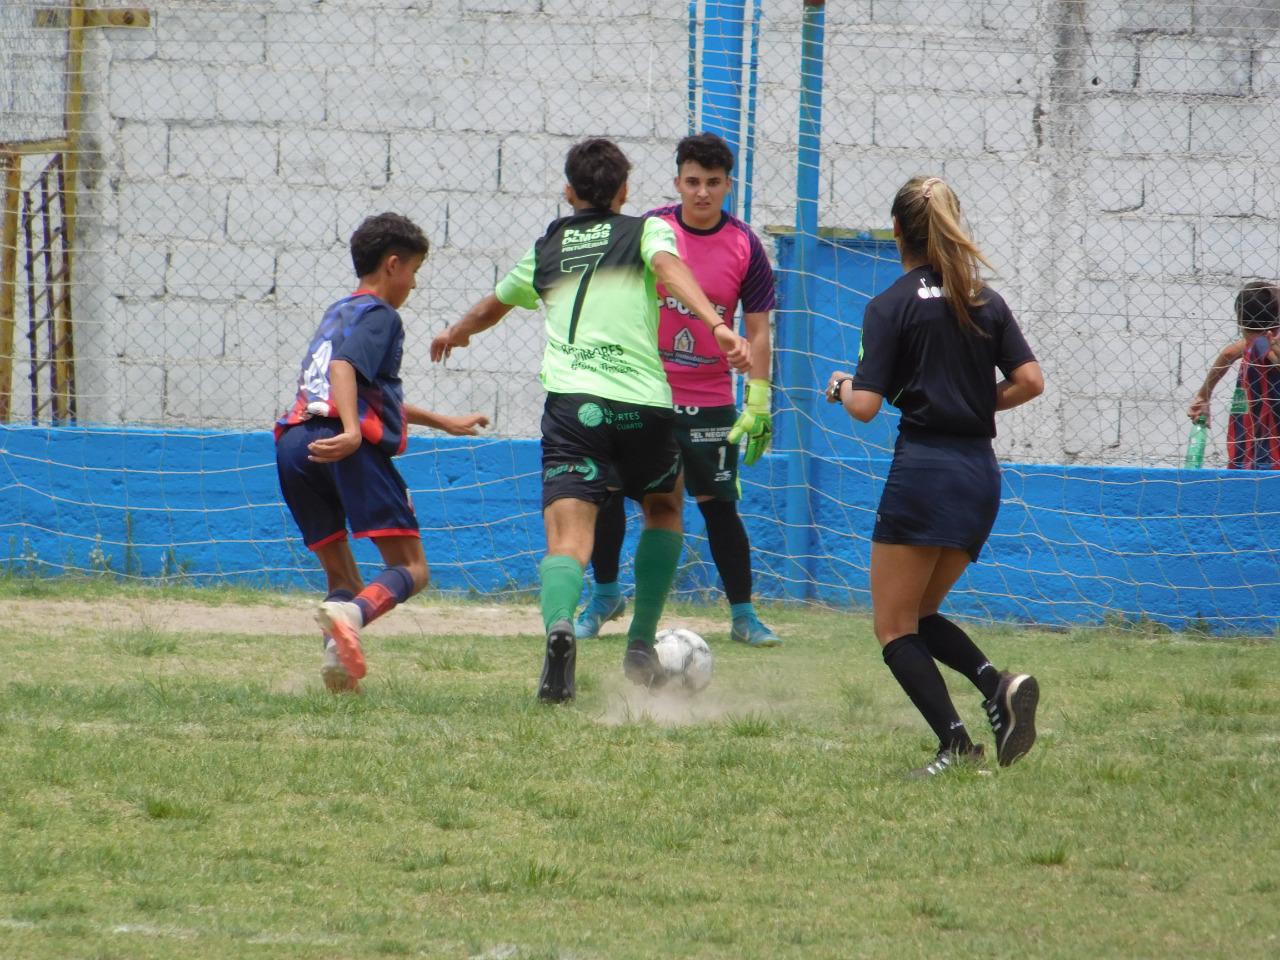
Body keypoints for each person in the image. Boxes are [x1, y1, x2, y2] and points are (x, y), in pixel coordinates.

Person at [430, 138, 750, 703]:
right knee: (665, 506)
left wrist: (457, 331)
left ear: (569, 192)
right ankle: (641, 643)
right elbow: (670, 270)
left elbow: (494, 305)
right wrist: (716, 324)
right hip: (644, 404)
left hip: (574, 407)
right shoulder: (647, 230)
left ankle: (560, 625)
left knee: (569, 536)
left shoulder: (548, 245)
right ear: (625, 192)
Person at [825, 175, 1044, 777]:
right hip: (979, 476)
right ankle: (997, 686)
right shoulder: (985, 301)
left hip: (924, 472)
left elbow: (866, 406)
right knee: (919, 614)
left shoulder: (889, 306)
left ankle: (956, 743)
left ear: (897, 230)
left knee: (893, 625)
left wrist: (843, 384)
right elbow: (1030, 381)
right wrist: (972, 403)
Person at [574, 132, 781, 647]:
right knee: (610, 493)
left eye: (713, 183)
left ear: (728, 185)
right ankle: (604, 597)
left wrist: (758, 398)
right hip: (643, 392)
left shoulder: (746, 245)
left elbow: (757, 329)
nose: (702, 192)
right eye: (693, 182)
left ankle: (743, 615)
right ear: (677, 183)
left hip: (710, 398)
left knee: (717, 504)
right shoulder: (650, 231)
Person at [275, 212, 489, 693]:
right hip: (343, 444)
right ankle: (352, 617)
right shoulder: (382, 316)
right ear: (393, 265)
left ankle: (340, 668)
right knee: (412, 568)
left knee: (341, 576)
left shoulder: (339, 311)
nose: (414, 283)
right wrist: (353, 432)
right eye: (414, 270)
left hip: (293, 442)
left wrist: (443, 420)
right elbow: (346, 370)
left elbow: (354, 385)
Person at [1186, 280, 1280, 469]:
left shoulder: (1261, 342)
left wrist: (1204, 395)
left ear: (1239, 320)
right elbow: (1230, 353)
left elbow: (1228, 354)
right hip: (1266, 453)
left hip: (1256, 451)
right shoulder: (1263, 342)